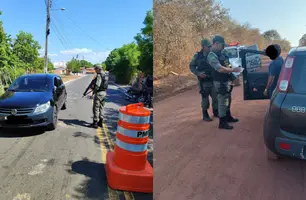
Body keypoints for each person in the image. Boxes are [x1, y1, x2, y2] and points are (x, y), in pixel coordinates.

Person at [207, 35, 242, 130]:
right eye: (222, 45)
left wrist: (233, 76)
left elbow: (228, 66)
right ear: (216, 44)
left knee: (228, 99)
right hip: (219, 82)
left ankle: (228, 116)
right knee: (222, 101)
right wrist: (233, 70)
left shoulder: (222, 54)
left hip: (226, 81)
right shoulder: (211, 56)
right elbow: (220, 69)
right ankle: (222, 122)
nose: (224, 47)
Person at [189, 39, 218, 121]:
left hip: (213, 80)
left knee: (216, 98)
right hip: (203, 82)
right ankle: (205, 115)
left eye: (210, 46)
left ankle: (216, 112)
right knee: (205, 99)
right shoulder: (197, 56)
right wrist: (198, 73)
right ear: (203, 46)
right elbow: (191, 66)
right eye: (208, 46)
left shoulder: (212, 55)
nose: (210, 47)